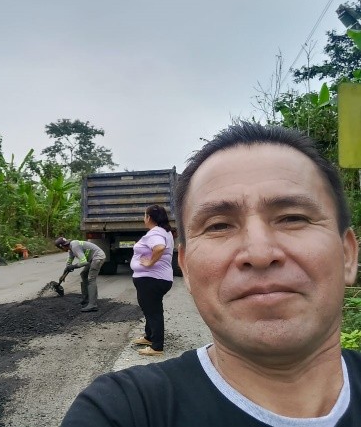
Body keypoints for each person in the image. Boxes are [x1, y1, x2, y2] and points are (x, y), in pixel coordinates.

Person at [61, 122, 361, 426]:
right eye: (219, 225)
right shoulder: (125, 409)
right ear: (186, 267)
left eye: (292, 218)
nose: (259, 253)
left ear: (348, 255)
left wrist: (147, 263)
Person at [130, 204, 174, 356]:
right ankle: (150, 337)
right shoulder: (164, 231)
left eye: (144, 215)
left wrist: (149, 263)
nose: (144, 218)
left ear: (149, 217)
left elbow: (159, 247)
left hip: (152, 279)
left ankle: (157, 347)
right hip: (156, 278)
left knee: (153, 312)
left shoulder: (155, 232)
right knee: (150, 309)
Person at [55, 237, 106, 312]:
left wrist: (73, 266)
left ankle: (93, 304)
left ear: (62, 246)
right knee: (83, 274)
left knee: (91, 279)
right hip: (91, 259)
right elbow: (68, 264)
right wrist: (63, 275)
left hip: (98, 257)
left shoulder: (75, 246)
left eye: (61, 248)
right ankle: (86, 299)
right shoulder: (71, 249)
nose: (62, 250)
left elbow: (83, 262)